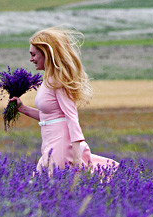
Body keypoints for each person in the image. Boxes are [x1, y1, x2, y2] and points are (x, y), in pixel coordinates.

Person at [10, 27, 118, 174]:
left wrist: (77, 156)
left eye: (34, 54)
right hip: (50, 141)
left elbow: (71, 117)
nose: (31, 59)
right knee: (48, 185)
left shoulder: (58, 81)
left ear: (46, 54)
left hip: (60, 142)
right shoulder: (47, 80)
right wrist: (23, 109)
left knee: (53, 185)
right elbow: (50, 116)